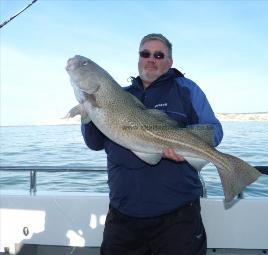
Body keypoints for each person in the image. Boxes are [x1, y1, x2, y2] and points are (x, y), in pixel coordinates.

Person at [81, 33, 223, 255]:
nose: (151, 59)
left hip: (178, 217)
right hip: (123, 214)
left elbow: (213, 130)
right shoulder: (119, 95)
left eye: (158, 55)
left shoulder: (186, 89)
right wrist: (87, 109)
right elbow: (94, 143)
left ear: (169, 62)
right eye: (145, 53)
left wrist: (185, 145)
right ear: (138, 58)